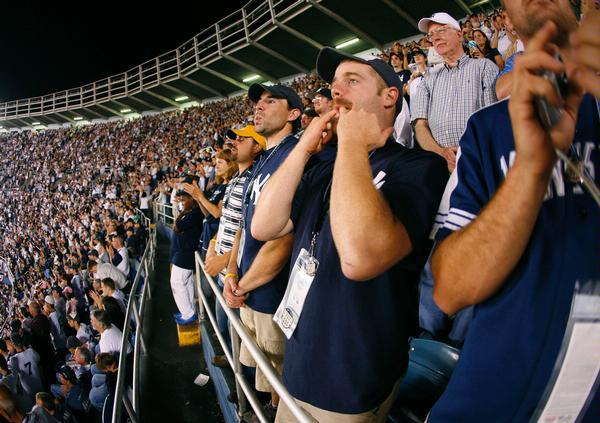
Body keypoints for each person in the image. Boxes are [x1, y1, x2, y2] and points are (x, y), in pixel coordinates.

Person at [251, 47, 448, 422]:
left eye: (352, 81)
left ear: (390, 96)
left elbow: (360, 258)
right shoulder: (325, 165)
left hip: (351, 378)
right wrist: (305, 146)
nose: (335, 91)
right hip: (300, 360)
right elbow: (264, 226)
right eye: (333, 84)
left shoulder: (419, 166)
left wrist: (354, 143)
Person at [428, 1, 600, 421]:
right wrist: (531, 167)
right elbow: (450, 289)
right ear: (505, 13)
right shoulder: (488, 127)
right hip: (493, 397)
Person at [223, 83, 302, 417]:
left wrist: (244, 283)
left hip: (270, 292)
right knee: (263, 375)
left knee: (279, 377)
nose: (259, 106)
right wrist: (231, 271)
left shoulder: (294, 156)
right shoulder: (264, 160)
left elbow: (284, 238)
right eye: (258, 102)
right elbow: (243, 224)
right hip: (248, 287)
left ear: (294, 114)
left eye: (271, 101)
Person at [204, 125, 265, 368]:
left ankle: (246, 386)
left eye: (242, 139)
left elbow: (250, 232)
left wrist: (225, 259)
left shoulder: (253, 181)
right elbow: (227, 220)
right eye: (235, 138)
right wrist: (212, 245)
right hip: (222, 266)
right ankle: (232, 362)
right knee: (223, 327)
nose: (235, 142)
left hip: (235, 272)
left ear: (257, 146)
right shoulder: (235, 180)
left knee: (240, 334)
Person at [410, 12, 499, 172]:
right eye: (431, 34)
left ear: (459, 34)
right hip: (440, 165)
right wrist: (442, 153)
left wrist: (470, 153)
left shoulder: (484, 66)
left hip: (479, 162)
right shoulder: (428, 79)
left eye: (441, 30)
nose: (435, 38)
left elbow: (492, 120)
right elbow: (420, 125)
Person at [169, 174, 203, 325]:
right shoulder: (190, 212)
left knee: (177, 282)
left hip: (185, 254)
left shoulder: (195, 213)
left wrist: (180, 213)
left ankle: (187, 313)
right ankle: (189, 311)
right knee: (185, 282)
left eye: (184, 200)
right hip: (183, 253)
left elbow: (178, 226)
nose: (182, 203)